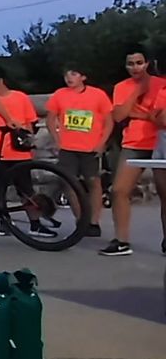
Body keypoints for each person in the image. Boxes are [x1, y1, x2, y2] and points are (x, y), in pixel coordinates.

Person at [101, 50, 165, 257]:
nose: (135, 68)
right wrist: (137, 93)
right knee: (119, 190)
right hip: (134, 142)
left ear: (148, 63)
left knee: (165, 194)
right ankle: (121, 241)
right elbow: (119, 115)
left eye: (139, 63)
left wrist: (138, 113)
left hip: (159, 142)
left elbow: (160, 117)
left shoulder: (160, 83)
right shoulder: (122, 87)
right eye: (130, 64)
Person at [0, 68, 50, 238]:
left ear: (1, 80)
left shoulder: (20, 97)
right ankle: (5, 222)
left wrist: (27, 138)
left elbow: (31, 121)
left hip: (19, 151)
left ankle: (35, 223)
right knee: (0, 187)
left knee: (26, 189)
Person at [45, 67, 111, 238]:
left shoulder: (98, 95)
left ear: (83, 76)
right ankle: (81, 218)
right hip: (67, 147)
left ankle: (94, 221)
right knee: (67, 182)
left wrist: (102, 143)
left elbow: (108, 121)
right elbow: (50, 118)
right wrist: (57, 140)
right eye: (66, 74)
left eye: (73, 74)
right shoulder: (59, 94)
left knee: (93, 182)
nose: (69, 78)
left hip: (90, 147)